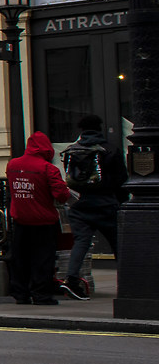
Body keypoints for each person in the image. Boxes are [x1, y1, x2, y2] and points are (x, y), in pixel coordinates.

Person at [5, 131, 72, 306]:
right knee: (43, 260)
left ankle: (21, 293)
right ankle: (41, 294)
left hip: (20, 220)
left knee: (20, 259)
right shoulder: (48, 168)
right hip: (44, 221)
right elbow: (61, 194)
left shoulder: (13, 165)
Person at [61, 114, 123, 299]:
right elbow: (121, 179)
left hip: (81, 204)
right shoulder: (109, 149)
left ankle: (71, 280)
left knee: (81, 242)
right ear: (99, 128)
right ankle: (127, 282)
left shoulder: (72, 151)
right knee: (118, 244)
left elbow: (71, 178)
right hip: (106, 203)